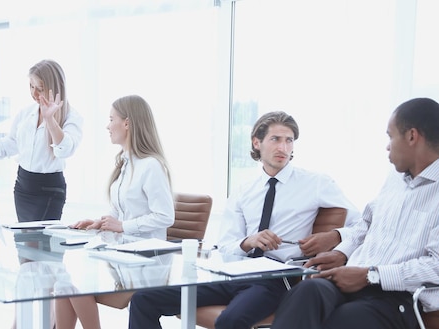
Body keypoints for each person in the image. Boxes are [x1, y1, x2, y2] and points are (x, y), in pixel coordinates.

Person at [128, 111, 360, 329]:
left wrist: (335, 237)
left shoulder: (316, 183)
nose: (283, 147)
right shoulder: (244, 191)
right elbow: (226, 243)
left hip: (276, 279)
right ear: (256, 142)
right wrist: (249, 241)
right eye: (276, 139)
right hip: (236, 273)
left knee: (231, 320)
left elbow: (361, 225)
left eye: (289, 141)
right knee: (143, 299)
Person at [270, 97, 439, 329]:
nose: (387, 146)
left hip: (398, 297)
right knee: (306, 291)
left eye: (390, 136)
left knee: (343, 320)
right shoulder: (395, 179)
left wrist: (371, 275)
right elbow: (365, 225)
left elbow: (436, 266)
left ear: (411, 136)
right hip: (352, 279)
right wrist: (342, 252)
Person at [54, 94, 175, 329]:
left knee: (77, 283)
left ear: (127, 123)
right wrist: (100, 222)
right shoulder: (126, 162)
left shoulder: (151, 165)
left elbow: (165, 216)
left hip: (146, 264)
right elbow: (121, 210)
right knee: (63, 282)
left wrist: (123, 226)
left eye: (112, 119)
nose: (107, 126)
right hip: (123, 258)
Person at [0, 59, 83, 223]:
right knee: (24, 243)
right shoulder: (26, 113)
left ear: (54, 88)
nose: (34, 93)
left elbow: (64, 150)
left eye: (40, 88)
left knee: (42, 244)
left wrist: (50, 120)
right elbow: (7, 145)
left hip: (49, 189)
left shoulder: (72, 117)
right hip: (23, 187)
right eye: (31, 86)